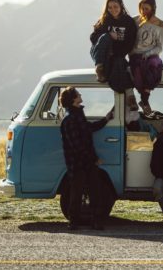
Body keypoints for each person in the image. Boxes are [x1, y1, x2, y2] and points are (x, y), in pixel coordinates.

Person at [59, 87, 113, 230]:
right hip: (78, 163)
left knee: (91, 191)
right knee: (79, 192)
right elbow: (77, 145)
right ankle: (77, 221)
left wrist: (106, 119)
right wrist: (93, 158)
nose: (80, 95)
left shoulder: (75, 115)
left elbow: (90, 128)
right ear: (73, 99)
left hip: (81, 162)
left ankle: (81, 221)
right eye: (78, 94)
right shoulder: (70, 119)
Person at [129, 0, 163, 115]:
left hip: (151, 55)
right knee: (138, 72)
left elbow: (159, 46)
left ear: (153, 8)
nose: (144, 11)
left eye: (146, 9)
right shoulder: (135, 21)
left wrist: (148, 53)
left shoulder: (161, 24)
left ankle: (144, 100)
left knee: (154, 64)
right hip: (136, 55)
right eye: (142, 9)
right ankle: (144, 100)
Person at [90, 0, 137, 83]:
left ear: (121, 6)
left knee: (117, 72)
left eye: (115, 7)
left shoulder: (129, 22)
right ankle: (99, 68)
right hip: (99, 53)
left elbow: (129, 44)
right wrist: (109, 34)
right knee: (106, 37)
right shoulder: (104, 20)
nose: (113, 10)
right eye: (110, 7)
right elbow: (93, 37)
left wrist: (115, 53)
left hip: (116, 54)